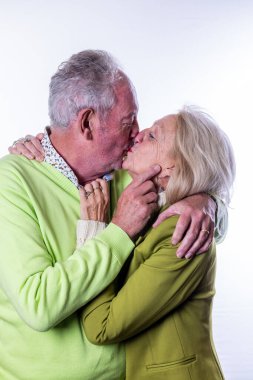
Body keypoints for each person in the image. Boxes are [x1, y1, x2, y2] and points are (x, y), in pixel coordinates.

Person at [0, 49, 219, 379]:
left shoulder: (129, 173)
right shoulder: (12, 182)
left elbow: (190, 181)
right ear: (88, 123)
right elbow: (38, 306)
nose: (137, 132)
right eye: (128, 122)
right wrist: (118, 231)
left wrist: (205, 202)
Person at [80, 106, 235, 379]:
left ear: (175, 166)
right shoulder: (151, 212)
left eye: (153, 137)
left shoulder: (182, 230)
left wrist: (95, 233)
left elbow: (101, 327)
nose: (139, 135)